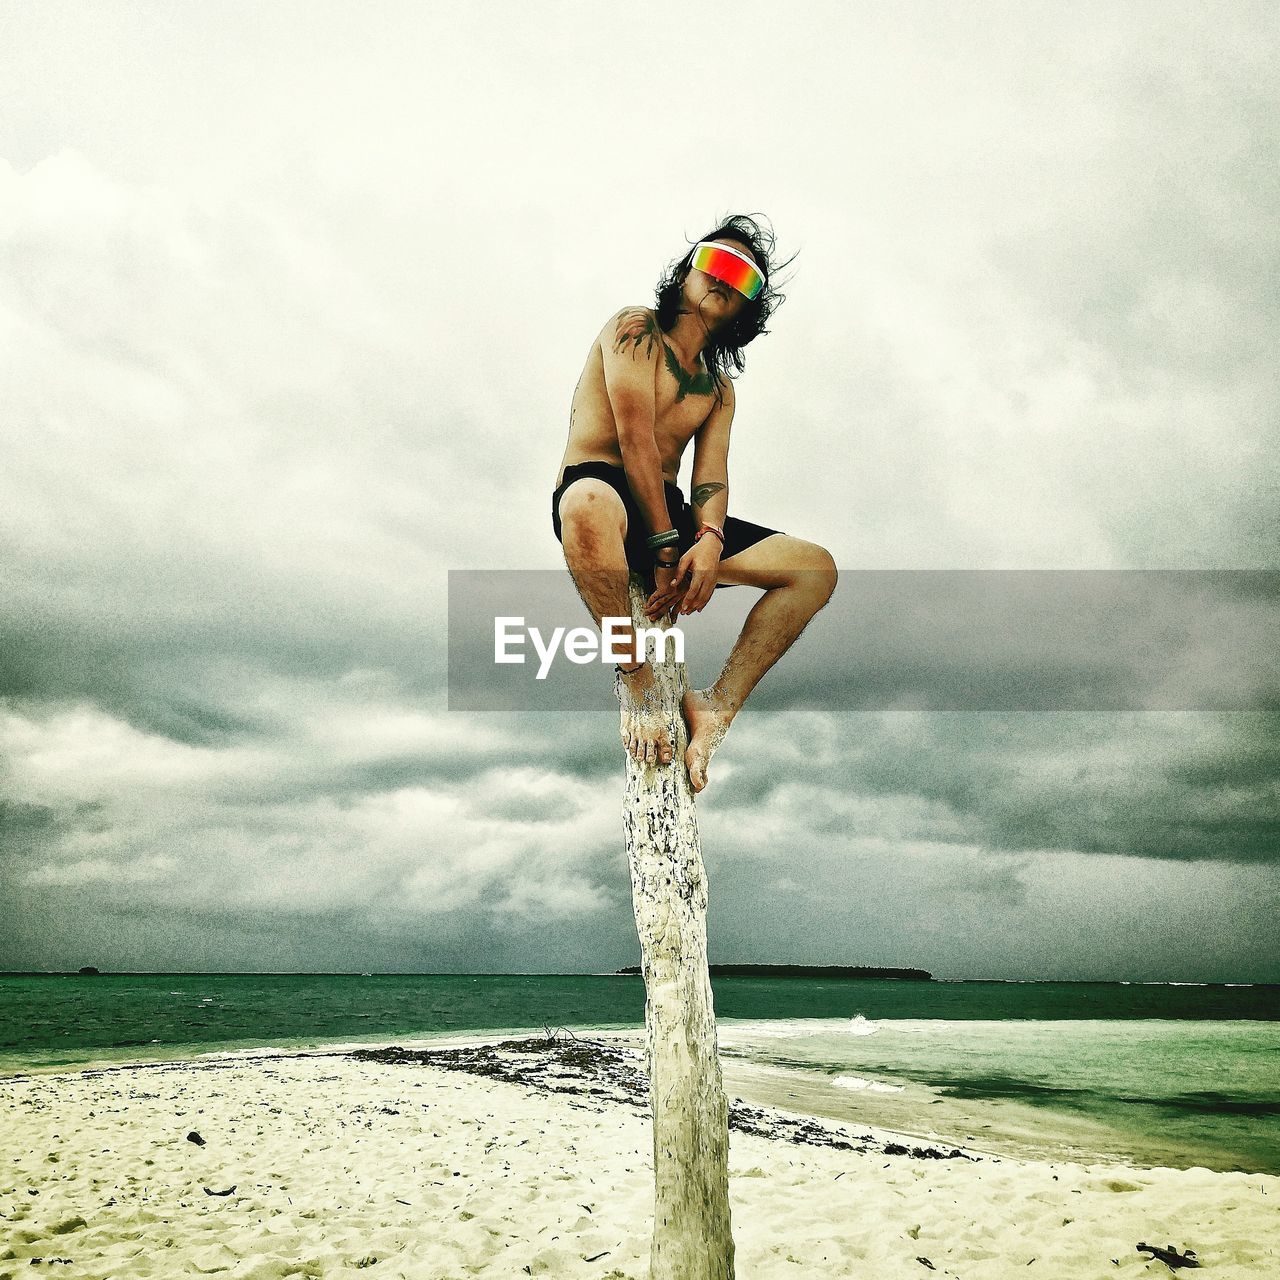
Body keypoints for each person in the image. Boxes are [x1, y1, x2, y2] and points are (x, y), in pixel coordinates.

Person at [551, 214, 837, 792]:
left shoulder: (718, 388)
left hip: (670, 511)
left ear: (747, 310)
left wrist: (707, 541)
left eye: (745, 279)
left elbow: (710, 476)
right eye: (716, 263)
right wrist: (662, 546)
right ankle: (635, 677)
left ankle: (716, 709)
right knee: (584, 504)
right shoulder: (635, 328)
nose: (725, 280)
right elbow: (634, 440)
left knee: (814, 569)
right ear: (688, 271)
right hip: (605, 488)